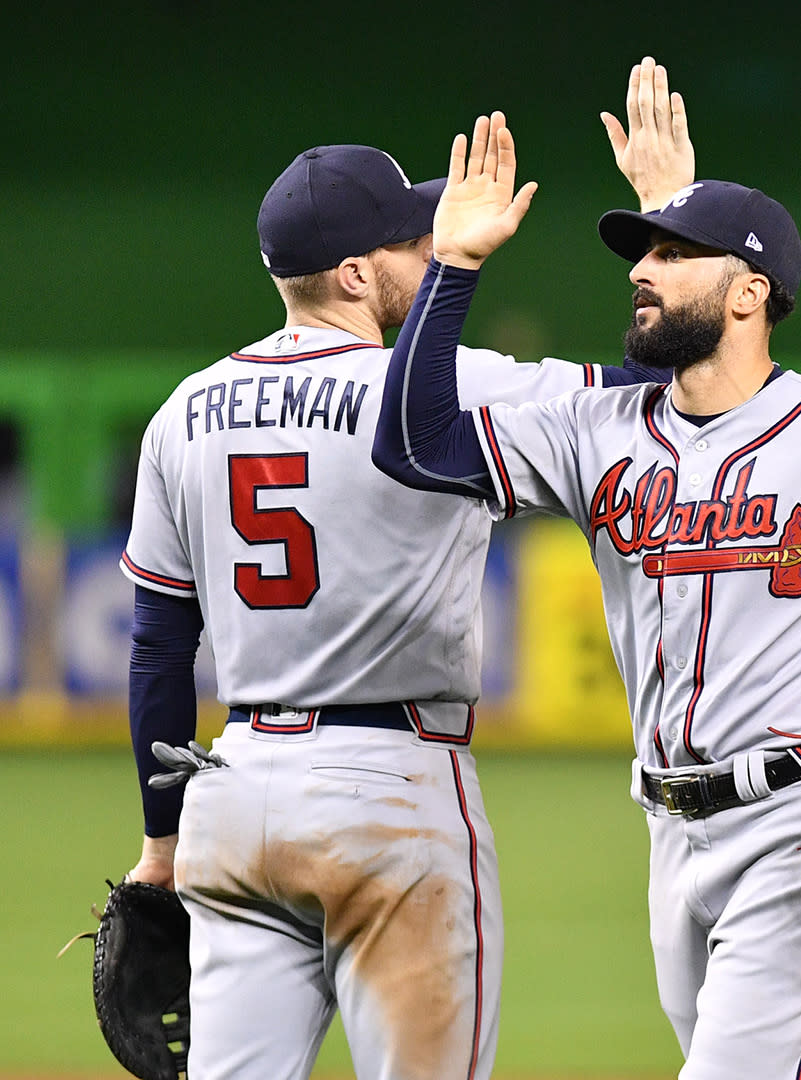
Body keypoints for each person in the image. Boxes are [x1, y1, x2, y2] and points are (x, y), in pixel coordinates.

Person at [370, 101, 801, 1078]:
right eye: (640, 251)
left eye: (673, 253)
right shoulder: (595, 427)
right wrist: (455, 268)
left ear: (750, 294)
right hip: (668, 830)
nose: (642, 270)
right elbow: (414, 444)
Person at [119, 65, 689, 1075]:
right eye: (408, 242)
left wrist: (162, 844)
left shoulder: (183, 411)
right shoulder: (448, 383)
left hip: (235, 792)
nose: (430, 253)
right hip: (394, 787)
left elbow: (161, 643)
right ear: (351, 273)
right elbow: (663, 393)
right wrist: (665, 221)